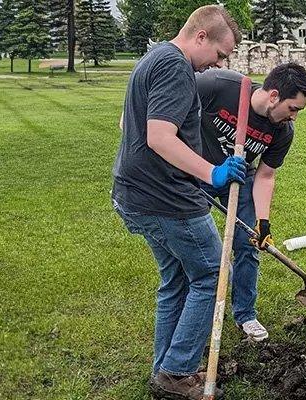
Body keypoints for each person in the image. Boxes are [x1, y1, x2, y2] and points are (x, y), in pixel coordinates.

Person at [110, 5, 244, 399]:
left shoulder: (153, 57)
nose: (218, 64)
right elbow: (159, 137)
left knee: (178, 280)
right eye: (219, 54)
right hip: (165, 200)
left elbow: (127, 123)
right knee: (213, 274)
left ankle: (165, 370)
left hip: (135, 195)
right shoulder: (175, 67)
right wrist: (212, 173)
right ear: (201, 36)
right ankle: (178, 371)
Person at [195, 62, 306, 341]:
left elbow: (265, 175)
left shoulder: (283, 131)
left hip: (239, 176)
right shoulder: (218, 85)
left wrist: (263, 222)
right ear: (274, 96)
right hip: (198, 171)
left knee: (247, 245)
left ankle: (245, 314)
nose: (294, 117)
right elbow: (167, 100)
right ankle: (195, 310)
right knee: (197, 248)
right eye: (293, 108)